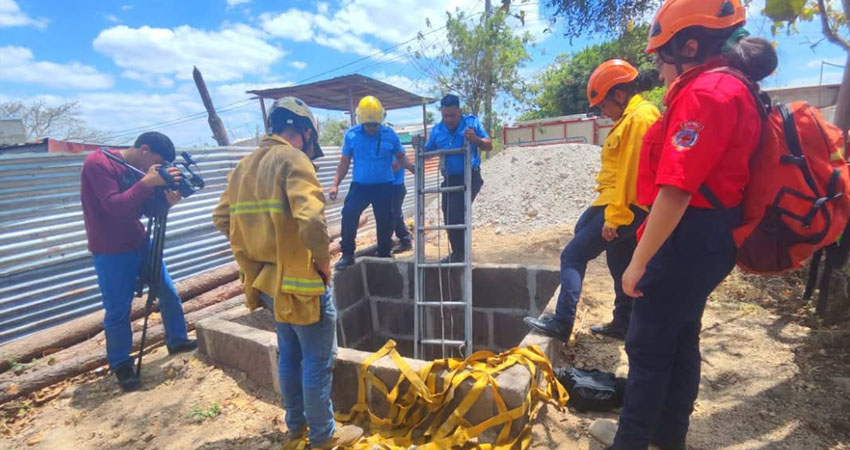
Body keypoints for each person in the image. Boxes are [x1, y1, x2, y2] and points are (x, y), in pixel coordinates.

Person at [592, 1, 778, 448]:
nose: (657, 71)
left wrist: (638, 262)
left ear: (690, 45)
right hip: (711, 236)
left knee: (648, 348)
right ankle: (667, 435)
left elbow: (677, 190)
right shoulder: (734, 87)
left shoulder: (706, 93)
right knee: (679, 338)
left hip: (688, 235)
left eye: (661, 58)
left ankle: (632, 440)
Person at [212, 97, 363, 449]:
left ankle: (296, 428)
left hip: (268, 282)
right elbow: (311, 219)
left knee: (290, 355)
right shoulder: (293, 159)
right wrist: (324, 264)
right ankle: (324, 436)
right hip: (302, 282)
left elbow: (222, 218)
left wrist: (256, 244)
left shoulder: (244, 166)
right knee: (318, 359)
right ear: (307, 132)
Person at [524, 60, 660, 342]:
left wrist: (616, 216)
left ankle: (562, 322)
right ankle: (624, 323)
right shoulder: (629, 118)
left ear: (619, 95)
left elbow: (631, 173)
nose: (603, 113)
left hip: (628, 205)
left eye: (602, 106)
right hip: (620, 202)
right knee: (618, 259)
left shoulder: (640, 119)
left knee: (572, 255)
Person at [80, 131, 197, 392]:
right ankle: (121, 364)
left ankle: (177, 339)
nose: (151, 169)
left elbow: (145, 210)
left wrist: (167, 203)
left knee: (167, 292)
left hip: (139, 240)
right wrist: (147, 182)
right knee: (118, 309)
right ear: (144, 150)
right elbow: (115, 207)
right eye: (152, 162)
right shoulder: (98, 163)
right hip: (110, 249)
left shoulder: (138, 169)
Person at [328, 95, 414, 270]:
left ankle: (383, 253)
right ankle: (347, 254)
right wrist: (335, 183)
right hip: (360, 187)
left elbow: (401, 157)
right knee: (349, 214)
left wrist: (413, 167)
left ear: (380, 120)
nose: (372, 128)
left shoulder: (390, 135)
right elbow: (344, 162)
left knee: (386, 220)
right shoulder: (351, 135)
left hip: (384, 187)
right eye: (368, 125)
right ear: (361, 121)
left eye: (375, 124)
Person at [424, 94, 493, 262]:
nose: (449, 119)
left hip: (470, 176)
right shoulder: (437, 131)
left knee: (456, 212)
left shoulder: (471, 123)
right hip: (450, 179)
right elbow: (426, 153)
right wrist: (417, 147)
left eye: (452, 115)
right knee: (447, 212)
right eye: (445, 115)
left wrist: (476, 139)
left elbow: (488, 144)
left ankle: (461, 254)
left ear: (459, 111)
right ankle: (458, 252)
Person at [391, 151, 414, 254]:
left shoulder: (396, 153)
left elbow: (395, 167)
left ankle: (405, 241)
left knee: (395, 214)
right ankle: (404, 240)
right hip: (390, 187)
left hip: (396, 187)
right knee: (394, 214)